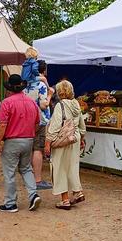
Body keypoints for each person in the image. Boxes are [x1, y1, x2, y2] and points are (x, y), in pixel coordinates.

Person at [0, 74, 42, 213]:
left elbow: (2, 125)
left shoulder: (7, 102)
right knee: (26, 168)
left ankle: (10, 203)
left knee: (9, 172)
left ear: (9, 88)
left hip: (12, 140)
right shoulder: (31, 102)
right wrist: (29, 133)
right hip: (28, 139)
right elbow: (38, 123)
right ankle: (33, 194)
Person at [45, 79, 86, 210]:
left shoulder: (60, 105)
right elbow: (82, 125)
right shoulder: (76, 104)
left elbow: (55, 126)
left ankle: (65, 200)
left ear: (59, 91)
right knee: (72, 166)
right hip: (75, 138)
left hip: (63, 140)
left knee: (59, 168)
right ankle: (78, 192)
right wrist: (82, 138)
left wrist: (48, 142)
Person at [25, 60, 54, 190]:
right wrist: (49, 95)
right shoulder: (40, 84)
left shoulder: (25, 83)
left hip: (26, 119)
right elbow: (44, 105)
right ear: (44, 69)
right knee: (38, 148)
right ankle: (37, 180)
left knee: (30, 148)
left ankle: (30, 177)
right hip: (40, 120)